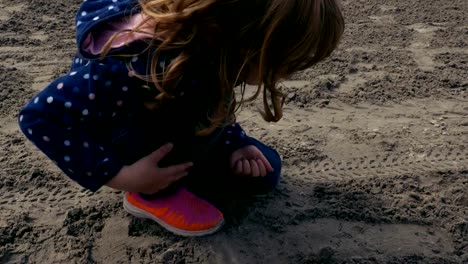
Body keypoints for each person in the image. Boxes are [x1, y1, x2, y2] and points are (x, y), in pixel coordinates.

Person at [18, 0, 344, 236]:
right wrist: (121, 175)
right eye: (289, 63)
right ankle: (151, 193)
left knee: (264, 171)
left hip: (168, 119)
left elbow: (218, 97)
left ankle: (194, 162)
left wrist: (235, 141)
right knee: (187, 101)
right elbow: (39, 116)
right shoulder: (133, 66)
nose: (288, 74)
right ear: (248, 42)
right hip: (124, 138)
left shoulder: (216, 46)